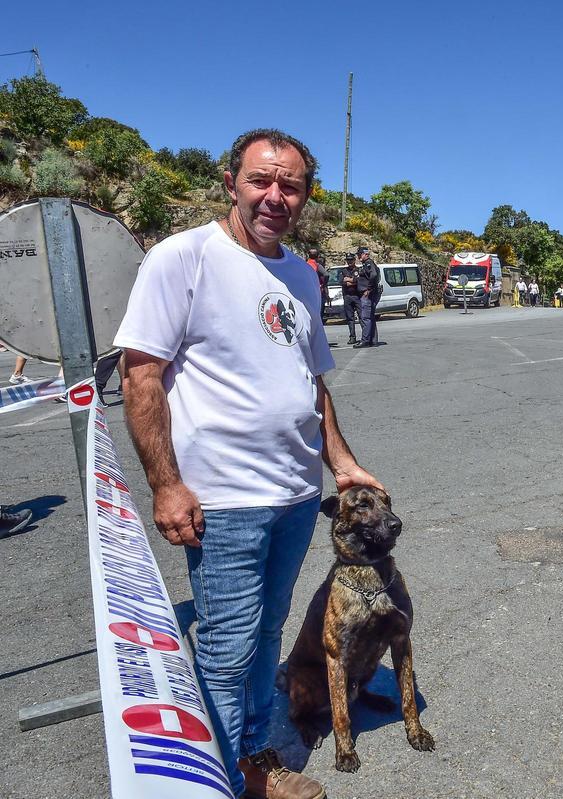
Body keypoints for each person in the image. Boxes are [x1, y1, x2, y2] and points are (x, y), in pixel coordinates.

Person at [114, 128, 383, 799]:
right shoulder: (184, 257)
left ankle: (252, 761)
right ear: (231, 181)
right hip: (224, 501)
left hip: (294, 494)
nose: (275, 195)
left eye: (289, 185)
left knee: (265, 637)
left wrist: (342, 461)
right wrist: (167, 485)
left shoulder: (298, 271)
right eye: (261, 179)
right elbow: (140, 375)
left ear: (304, 197)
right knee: (227, 649)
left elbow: (311, 381)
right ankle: (219, 776)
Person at [355, 246, 381, 348]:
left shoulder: (368, 263)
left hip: (368, 295)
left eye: (359, 255)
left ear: (364, 254)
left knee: (365, 318)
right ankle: (373, 340)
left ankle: (365, 340)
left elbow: (373, 275)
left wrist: (368, 289)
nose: (358, 257)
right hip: (371, 294)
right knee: (370, 318)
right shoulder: (368, 263)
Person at [340, 252, 363, 346]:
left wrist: (349, 280)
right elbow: (341, 281)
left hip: (357, 296)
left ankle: (365, 337)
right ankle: (352, 337)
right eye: (348, 260)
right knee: (350, 318)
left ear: (354, 260)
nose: (349, 262)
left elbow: (359, 280)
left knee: (362, 317)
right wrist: (351, 280)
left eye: (351, 260)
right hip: (347, 296)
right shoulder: (343, 271)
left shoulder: (359, 270)